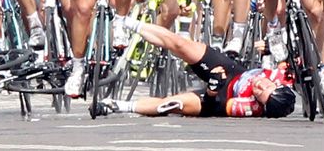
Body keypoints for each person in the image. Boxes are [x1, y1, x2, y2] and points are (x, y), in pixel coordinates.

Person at [97, 19, 296, 118]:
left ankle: (115, 105)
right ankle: (126, 22)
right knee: (181, 44)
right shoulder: (282, 77)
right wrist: (273, 48)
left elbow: (214, 106)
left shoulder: (247, 107)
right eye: (267, 85)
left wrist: (211, 90)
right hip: (233, 71)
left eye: (260, 93)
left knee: (171, 104)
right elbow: (293, 59)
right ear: (276, 84)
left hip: (221, 95)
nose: (260, 85)